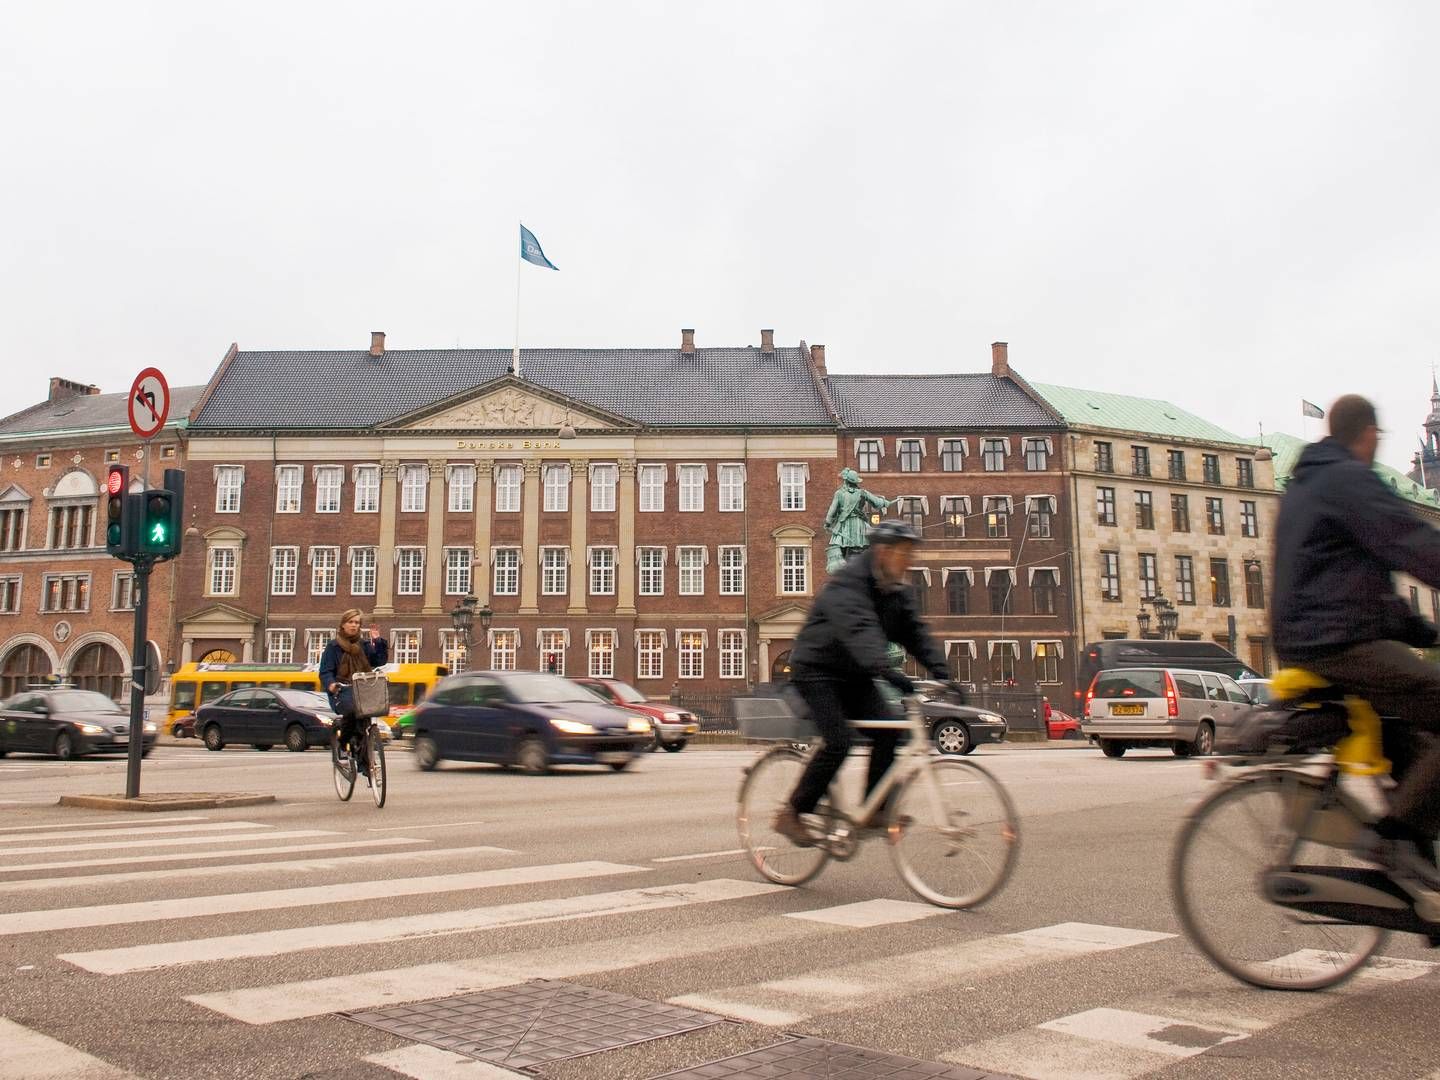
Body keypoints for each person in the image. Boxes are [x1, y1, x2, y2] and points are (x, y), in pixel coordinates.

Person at [1272, 394, 1440, 893]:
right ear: (1367, 435)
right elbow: (1411, 542)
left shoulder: (1305, 484)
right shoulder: (1347, 479)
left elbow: (1364, 590)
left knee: (1413, 741)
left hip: (1313, 636)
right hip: (1337, 641)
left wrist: (1424, 631)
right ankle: (1394, 839)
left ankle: (1420, 885)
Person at [774, 520, 950, 845]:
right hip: (816, 671)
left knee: (890, 730)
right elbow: (859, 628)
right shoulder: (848, 583)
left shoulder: (896, 588)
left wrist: (943, 673)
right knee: (838, 742)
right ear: (883, 551)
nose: (908, 561)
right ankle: (794, 812)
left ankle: (875, 810)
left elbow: (914, 632)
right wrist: (888, 671)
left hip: (854, 674)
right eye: (904, 553)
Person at [319, 609, 389, 766]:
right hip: (341, 690)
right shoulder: (333, 647)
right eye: (350, 622)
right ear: (343, 624)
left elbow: (379, 661)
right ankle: (343, 746)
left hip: (362, 689)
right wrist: (331, 684)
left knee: (365, 717)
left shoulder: (363, 645)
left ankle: (365, 760)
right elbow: (325, 671)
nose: (353, 625)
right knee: (351, 711)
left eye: (357, 622)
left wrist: (377, 641)